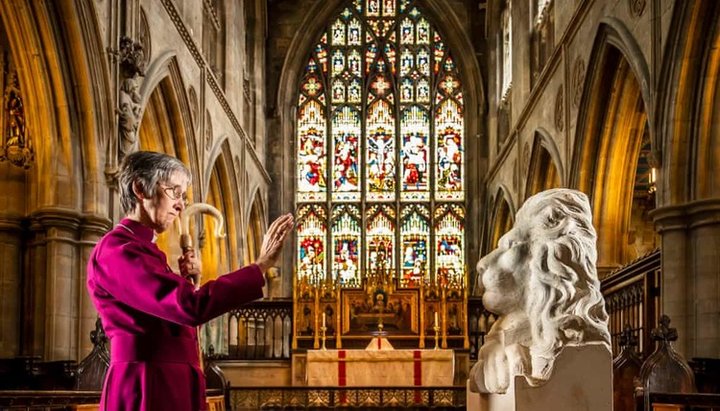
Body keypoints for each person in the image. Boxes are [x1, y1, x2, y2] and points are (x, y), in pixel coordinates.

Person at [86, 151, 294, 411]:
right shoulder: (118, 249)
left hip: (167, 381)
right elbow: (189, 307)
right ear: (140, 188)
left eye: (183, 196)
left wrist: (188, 282)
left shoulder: (144, 249)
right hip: (146, 386)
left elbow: (171, 316)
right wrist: (260, 266)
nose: (181, 205)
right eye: (174, 192)